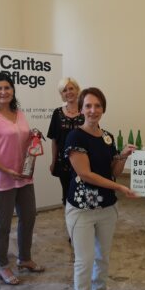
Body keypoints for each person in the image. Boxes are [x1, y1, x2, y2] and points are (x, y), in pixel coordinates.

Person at [64, 87, 137, 290]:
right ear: (81, 109)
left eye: (97, 106)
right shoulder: (75, 137)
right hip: (81, 209)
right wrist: (119, 187)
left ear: (103, 109)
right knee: (84, 261)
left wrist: (123, 156)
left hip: (107, 207)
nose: (93, 110)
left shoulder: (106, 137)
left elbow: (112, 170)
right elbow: (85, 174)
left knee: (102, 258)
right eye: (88, 106)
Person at [0, 72, 44, 286]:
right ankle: (3, 266)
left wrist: (33, 136)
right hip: (0, 179)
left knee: (29, 217)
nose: (3, 92)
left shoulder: (19, 113)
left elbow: (20, 138)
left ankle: (24, 259)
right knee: (3, 224)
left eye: (7, 87)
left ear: (13, 90)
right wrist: (6, 170)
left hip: (23, 176)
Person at [47, 77, 84, 205]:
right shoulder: (57, 113)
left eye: (71, 88)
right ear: (62, 94)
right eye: (64, 90)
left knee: (83, 196)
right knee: (67, 196)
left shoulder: (86, 111)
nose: (68, 92)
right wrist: (53, 162)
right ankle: (70, 223)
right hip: (63, 163)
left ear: (77, 90)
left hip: (84, 163)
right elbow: (54, 140)